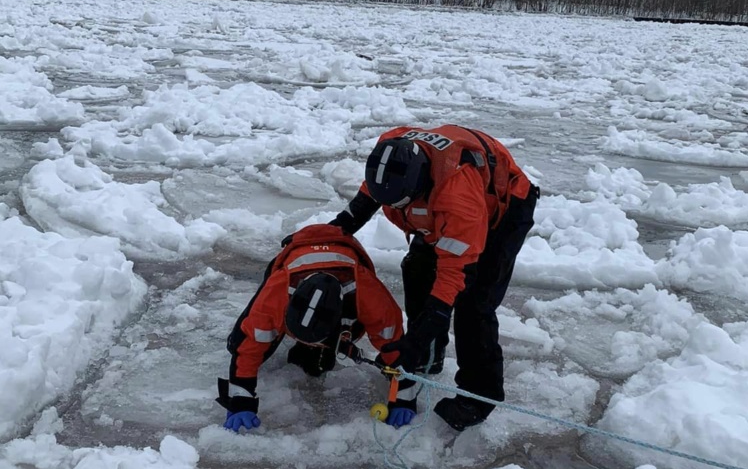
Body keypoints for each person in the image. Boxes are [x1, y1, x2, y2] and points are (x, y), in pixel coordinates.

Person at [332, 125, 538, 431]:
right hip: (436, 209)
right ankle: (429, 356)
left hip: (503, 209)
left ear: (418, 186)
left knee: (473, 304)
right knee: (417, 269)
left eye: (399, 203)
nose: (393, 209)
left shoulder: (457, 199)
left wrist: (412, 342)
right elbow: (371, 193)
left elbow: (451, 280)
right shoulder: (393, 152)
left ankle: (478, 398)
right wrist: (333, 230)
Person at [217, 223, 408, 432]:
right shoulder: (274, 295)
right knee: (237, 344)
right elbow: (248, 349)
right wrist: (241, 401)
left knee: (314, 366)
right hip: (294, 258)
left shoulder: (370, 296)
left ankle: (315, 347)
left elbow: (396, 346)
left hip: (345, 266)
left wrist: (404, 398)